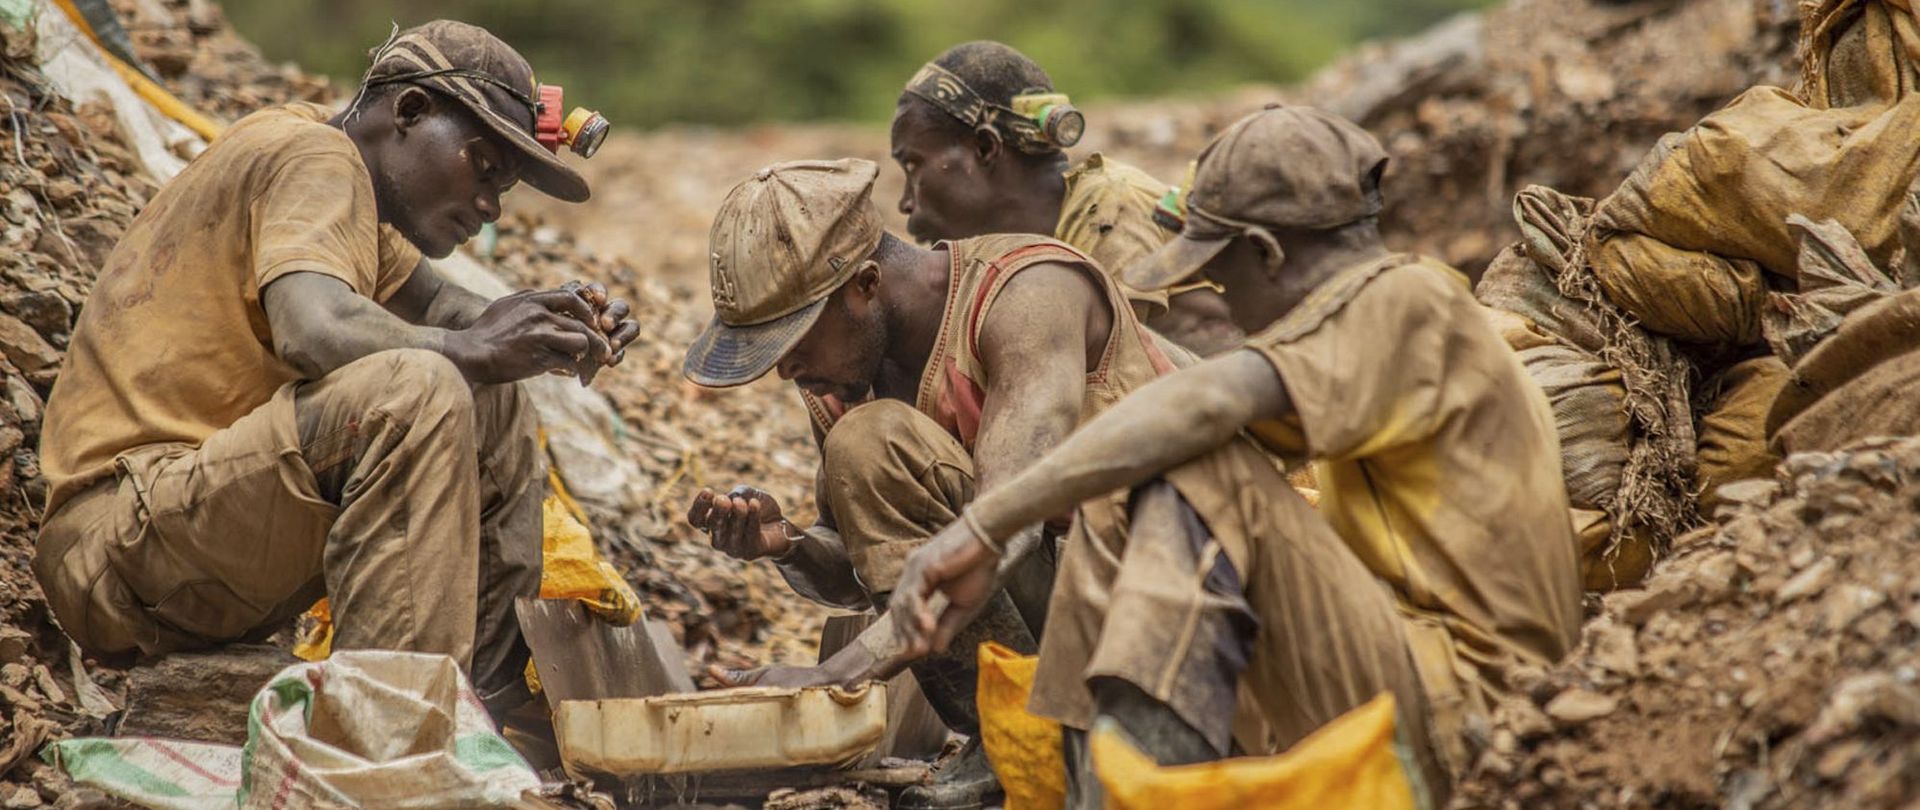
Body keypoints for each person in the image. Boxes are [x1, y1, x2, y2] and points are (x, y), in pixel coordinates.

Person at [887, 106, 1584, 806]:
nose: (1228, 310)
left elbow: (1203, 408)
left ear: (1267, 253)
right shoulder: (1363, 338)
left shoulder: (1410, 301)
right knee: (1131, 473)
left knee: (1188, 462)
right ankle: (1076, 780)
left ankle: (1129, 792)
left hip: (1470, 712)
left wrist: (984, 525)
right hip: (1410, 680)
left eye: (1223, 281)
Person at [33, 21, 639, 713]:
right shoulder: (315, 156)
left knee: (487, 391)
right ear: (410, 111)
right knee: (421, 384)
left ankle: (482, 713)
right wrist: (472, 350)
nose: (490, 205)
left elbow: (445, 306)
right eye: (483, 166)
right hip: (120, 542)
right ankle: (395, 739)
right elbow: (313, 328)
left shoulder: (351, 199)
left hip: (186, 539)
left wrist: (547, 321)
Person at [681, 157, 1187, 809]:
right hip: (1058, 621)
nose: (786, 370)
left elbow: (1004, 524)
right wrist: (788, 546)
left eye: (794, 340)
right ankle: (1009, 740)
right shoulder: (842, 383)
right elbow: (867, 571)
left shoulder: (1027, 294)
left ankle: (1072, 740)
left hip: (1160, 604)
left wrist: (840, 674)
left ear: (863, 285)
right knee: (864, 442)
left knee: (871, 441)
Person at [890, 40, 1243, 355]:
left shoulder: (1109, 213)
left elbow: (1114, 376)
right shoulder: (1027, 250)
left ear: (985, 148)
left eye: (914, 165)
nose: (906, 202)